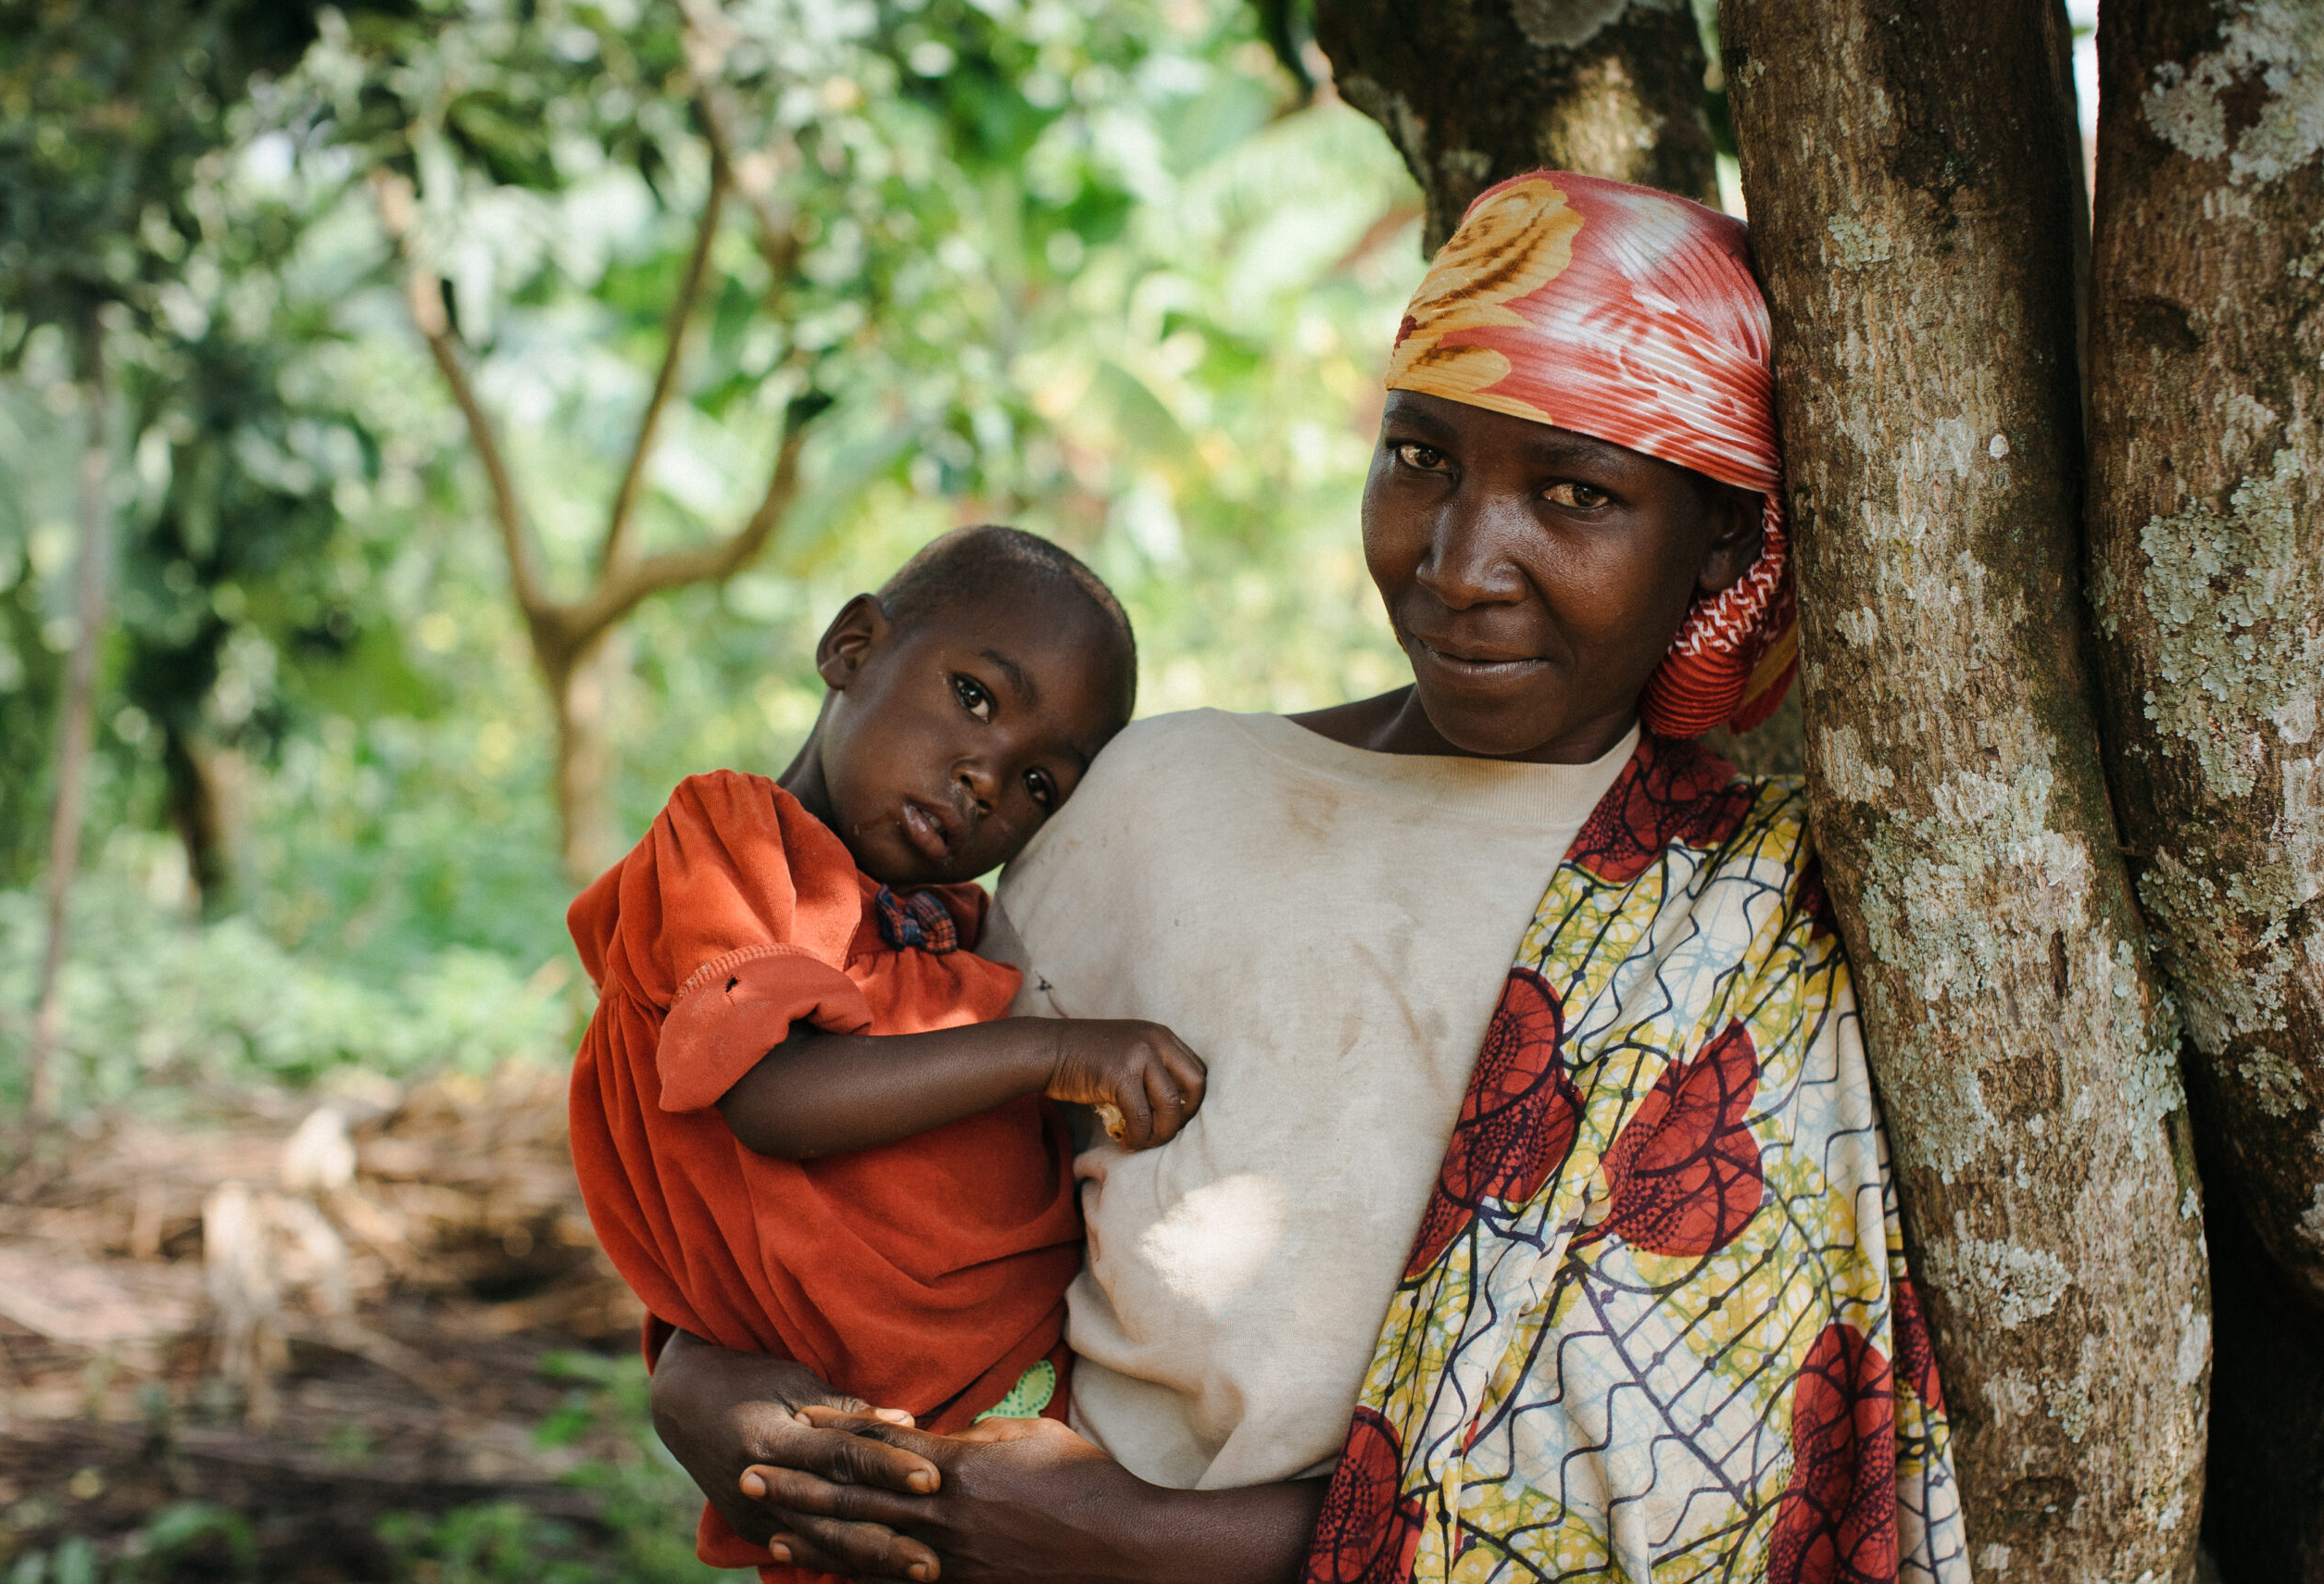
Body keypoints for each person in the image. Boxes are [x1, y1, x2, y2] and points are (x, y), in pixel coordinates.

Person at [645, 172, 1972, 1583]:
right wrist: (697, 1379)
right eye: (1421, 460)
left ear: (1718, 539)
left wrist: (1147, 1542)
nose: (1464, 564)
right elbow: (878, 1190)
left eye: (1577, 495)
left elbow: (1714, 1468)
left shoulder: (1760, 919)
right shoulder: (1159, 799)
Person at [565, 526, 1208, 1581]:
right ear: (851, 646)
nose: (986, 777)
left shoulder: (948, 926)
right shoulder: (729, 844)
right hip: (851, 1450)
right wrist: (1045, 1054)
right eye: (975, 698)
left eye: (1041, 783)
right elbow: (774, 1097)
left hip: (1035, 1417)